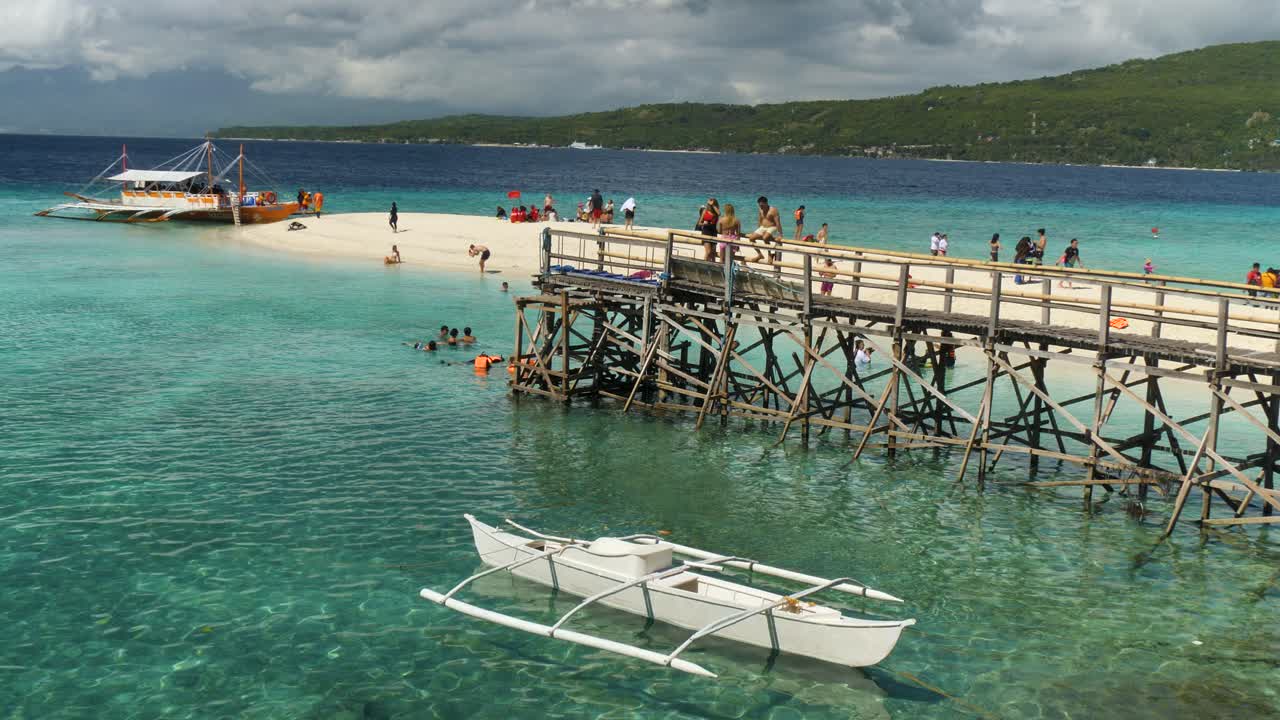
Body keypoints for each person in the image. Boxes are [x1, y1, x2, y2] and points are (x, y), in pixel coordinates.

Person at [746, 196, 783, 264]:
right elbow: (760, 220)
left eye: (762, 205)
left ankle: (770, 254)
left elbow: (778, 223)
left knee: (765, 238)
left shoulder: (773, 210)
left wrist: (780, 234)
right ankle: (760, 254)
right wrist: (757, 230)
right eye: (760, 205)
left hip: (772, 227)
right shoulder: (760, 209)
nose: (761, 207)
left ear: (766, 203)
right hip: (763, 227)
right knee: (751, 238)